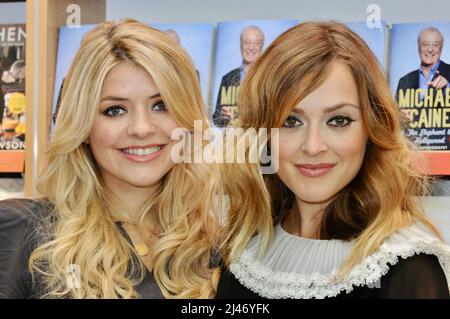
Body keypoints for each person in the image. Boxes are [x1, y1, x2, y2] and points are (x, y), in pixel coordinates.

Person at [216, 22, 450, 299]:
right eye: (291, 121)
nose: (313, 146)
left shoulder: (408, 268)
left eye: (338, 120)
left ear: (371, 129)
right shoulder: (243, 252)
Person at [0, 19, 221, 299]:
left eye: (161, 105)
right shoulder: (25, 233)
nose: (142, 128)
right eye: (115, 110)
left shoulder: (215, 246)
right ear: (84, 127)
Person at [213, 26, 264, 127]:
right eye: (247, 42)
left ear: (262, 46)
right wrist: (223, 117)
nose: (251, 47)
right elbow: (216, 119)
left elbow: (270, 116)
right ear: (240, 45)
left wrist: (236, 116)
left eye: (256, 43)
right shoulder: (227, 78)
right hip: (233, 140)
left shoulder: (268, 78)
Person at [396, 27, 450, 103]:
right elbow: (395, 112)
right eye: (425, 44)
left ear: (441, 48)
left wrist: (448, 87)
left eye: (435, 45)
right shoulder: (404, 81)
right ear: (419, 47)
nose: (430, 50)